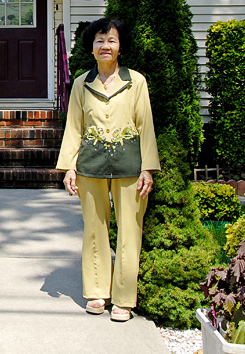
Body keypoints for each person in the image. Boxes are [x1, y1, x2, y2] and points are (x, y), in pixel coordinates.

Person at [57, 17, 160, 322]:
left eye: (111, 40)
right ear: (91, 48)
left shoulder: (136, 81)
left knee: (130, 230)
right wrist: (69, 168)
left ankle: (124, 299)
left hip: (130, 166)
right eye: (100, 41)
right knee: (94, 231)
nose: (105, 46)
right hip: (90, 166)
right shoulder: (81, 84)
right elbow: (74, 128)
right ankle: (98, 292)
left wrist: (148, 169)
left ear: (120, 46)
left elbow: (146, 126)